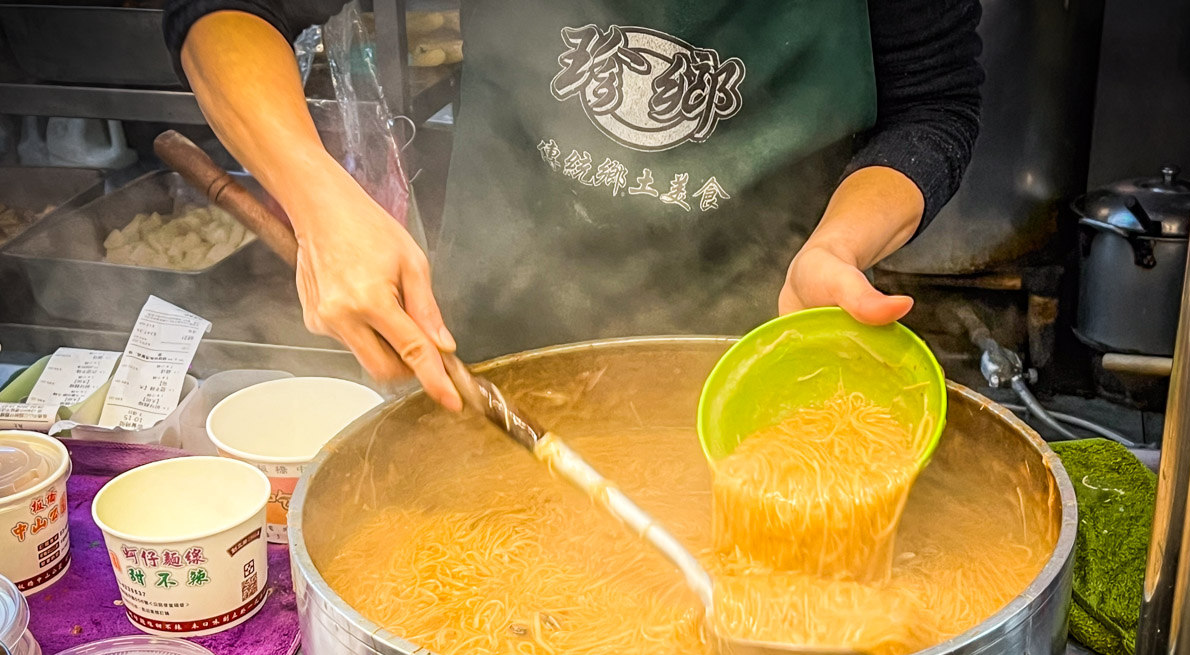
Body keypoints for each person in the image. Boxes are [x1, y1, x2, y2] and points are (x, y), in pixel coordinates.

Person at [164, 1, 983, 411]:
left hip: (753, 361)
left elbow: (933, 105)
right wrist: (315, 196)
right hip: (486, 359)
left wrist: (838, 244)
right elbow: (220, 13)